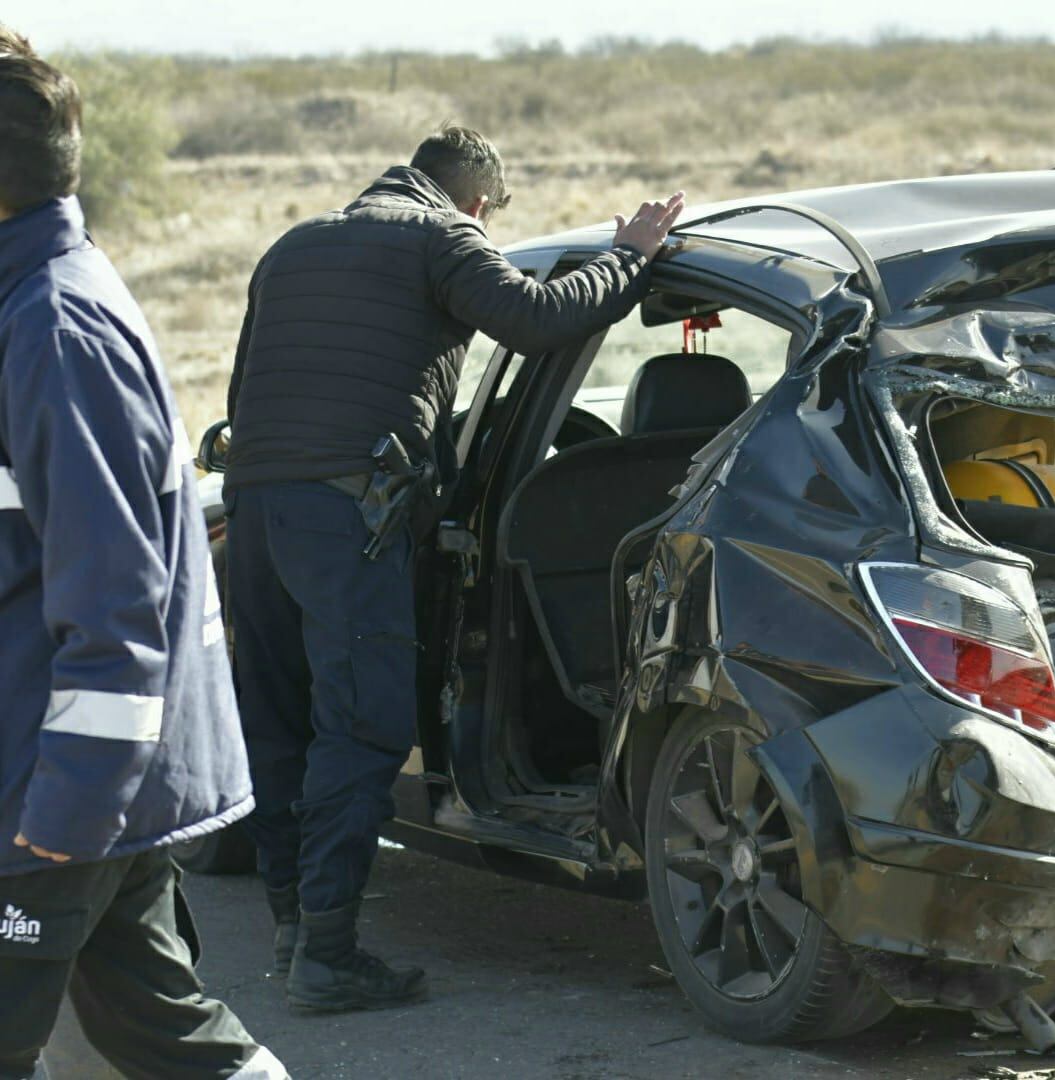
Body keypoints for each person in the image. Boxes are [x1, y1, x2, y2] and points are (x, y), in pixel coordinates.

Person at [223, 124, 683, 1013]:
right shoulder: (442, 234)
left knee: (278, 721)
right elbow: (536, 320)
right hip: (347, 515)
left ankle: (292, 928)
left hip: (255, 510)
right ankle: (327, 954)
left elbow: (247, 390)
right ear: (477, 201)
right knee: (360, 726)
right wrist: (627, 258)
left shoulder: (292, 248)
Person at [0, 28, 287, 1080]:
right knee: (156, 1031)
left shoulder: (55, 328)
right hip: (70, 790)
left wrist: (63, 819)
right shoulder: (30, 306)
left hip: (54, 797)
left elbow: (118, 607)